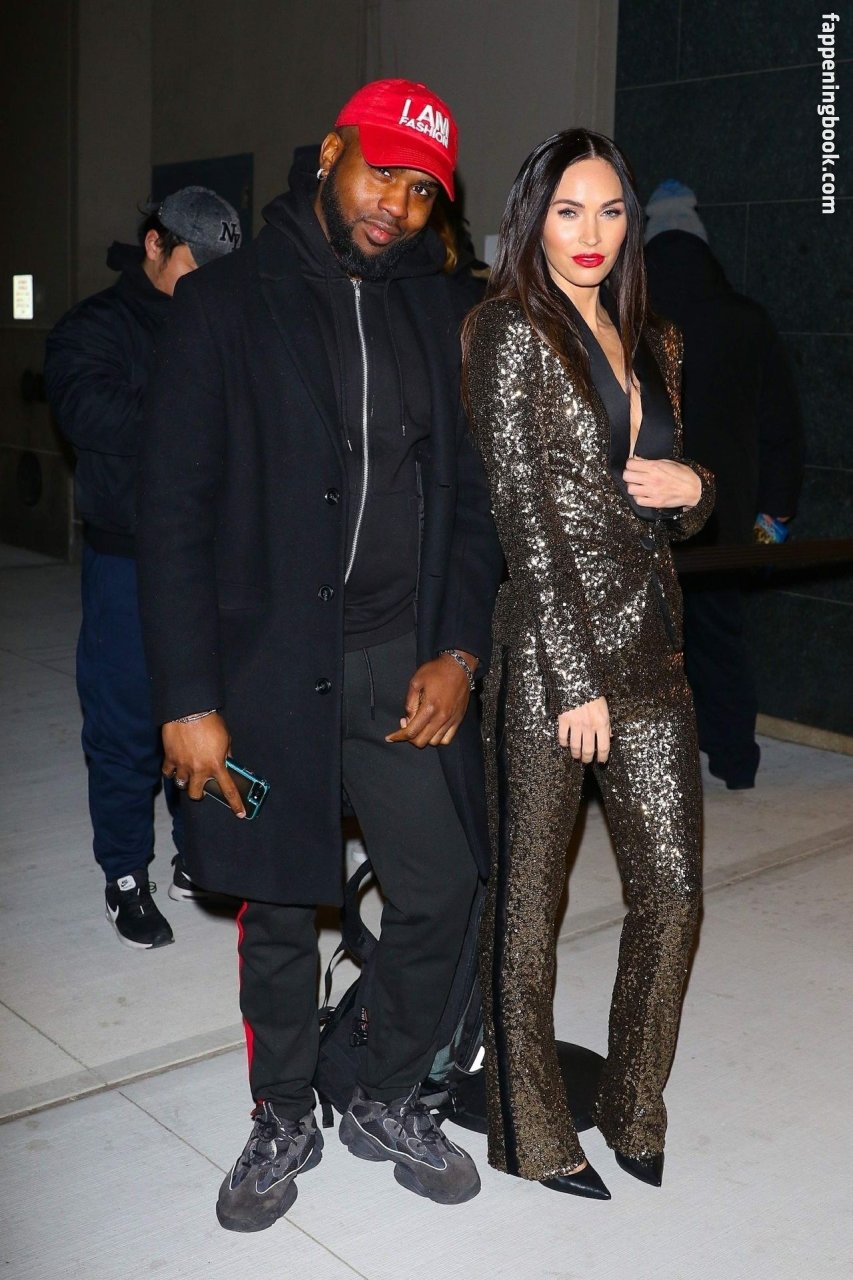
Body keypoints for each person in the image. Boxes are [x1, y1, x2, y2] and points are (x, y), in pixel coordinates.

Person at [136, 79, 503, 1228]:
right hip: (261, 668)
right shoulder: (225, 303)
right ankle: (282, 1111)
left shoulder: (446, 312)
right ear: (332, 150)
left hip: (400, 658)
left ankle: (386, 1092)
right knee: (280, 904)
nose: (396, 203)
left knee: (443, 886)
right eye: (380, 171)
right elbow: (171, 514)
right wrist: (187, 696)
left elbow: (471, 504)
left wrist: (459, 648)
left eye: (421, 189)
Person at [462, 129, 715, 1199]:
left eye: (610, 211)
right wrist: (573, 680)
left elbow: (661, 500)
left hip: (653, 649)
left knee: (674, 895)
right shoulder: (505, 331)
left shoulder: (654, 336)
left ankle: (633, 1104)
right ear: (533, 217)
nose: (590, 233)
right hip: (551, 655)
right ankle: (530, 1129)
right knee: (529, 907)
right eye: (569, 210)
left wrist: (695, 489)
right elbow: (524, 514)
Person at [44, 186, 243, 949]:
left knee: (209, 712)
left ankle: (202, 853)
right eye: (196, 266)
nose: (209, 285)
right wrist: (200, 414)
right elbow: (89, 414)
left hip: (216, 562)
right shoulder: (93, 328)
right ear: (155, 245)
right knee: (126, 727)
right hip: (128, 562)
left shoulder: (226, 322)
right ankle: (126, 875)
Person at [644, 181, 804, 788]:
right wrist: (774, 516)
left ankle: (648, 772)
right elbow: (783, 430)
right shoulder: (747, 321)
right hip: (723, 521)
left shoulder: (625, 317)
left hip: (641, 512)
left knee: (642, 649)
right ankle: (735, 761)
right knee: (720, 639)